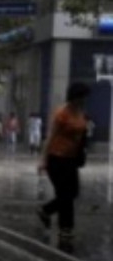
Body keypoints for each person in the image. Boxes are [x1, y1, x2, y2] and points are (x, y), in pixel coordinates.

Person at [37, 82, 90, 241]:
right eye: (82, 97)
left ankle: (46, 210)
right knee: (64, 194)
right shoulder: (61, 114)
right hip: (56, 158)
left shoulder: (80, 113)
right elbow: (50, 137)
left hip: (71, 159)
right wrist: (43, 160)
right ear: (74, 97)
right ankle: (66, 228)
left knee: (72, 193)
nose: (84, 100)